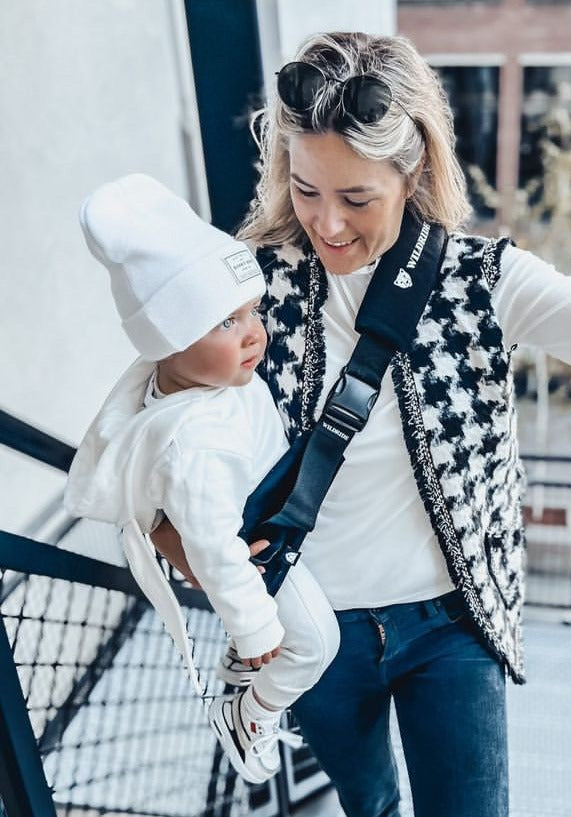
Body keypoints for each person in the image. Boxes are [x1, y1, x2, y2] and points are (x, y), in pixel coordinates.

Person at [152, 31, 571, 817]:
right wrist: (191, 548)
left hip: (449, 624)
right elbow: (151, 430)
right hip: (309, 621)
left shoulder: (480, 281)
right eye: (305, 189)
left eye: (356, 198)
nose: (326, 223)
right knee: (367, 802)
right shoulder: (243, 280)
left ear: (411, 172)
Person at [64, 173, 340, 786]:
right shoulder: (197, 444)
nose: (254, 332)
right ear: (168, 340)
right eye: (224, 323)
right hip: (251, 544)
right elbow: (213, 548)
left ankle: (242, 669)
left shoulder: (199, 379)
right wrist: (253, 625)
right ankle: (248, 715)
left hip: (262, 508)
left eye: (251, 312)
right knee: (317, 644)